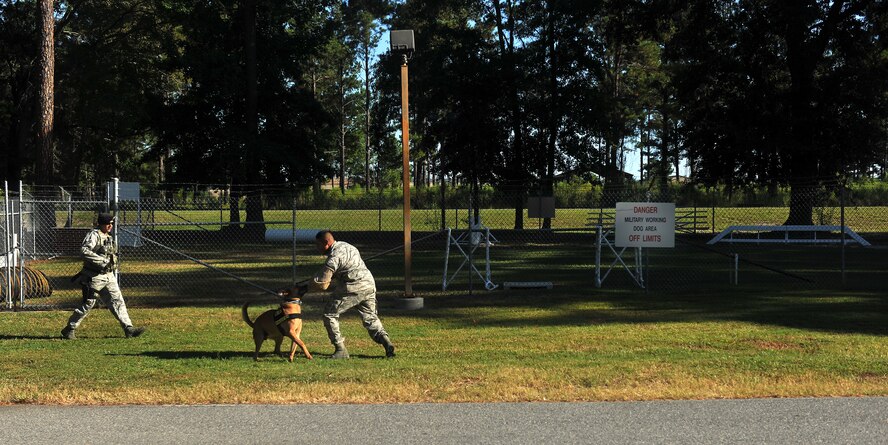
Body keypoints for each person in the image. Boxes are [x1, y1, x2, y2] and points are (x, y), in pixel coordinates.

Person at [305, 230, 395, 359]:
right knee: (370, 317)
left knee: (329, 314)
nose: (317, 248)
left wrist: (304, 288)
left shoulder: (334, 257)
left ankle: (340, 349)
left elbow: (323, 283)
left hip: (354, 286)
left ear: (326, 242)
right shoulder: (347, 245)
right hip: (369, 283)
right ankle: (386, 342)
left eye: (318, 245)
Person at [61, 212, 145, 339]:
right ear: (101, 224)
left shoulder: (107, 236)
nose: (110, 226)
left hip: (109, 276)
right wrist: (102, 261)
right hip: (94, 277)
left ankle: (128, 328)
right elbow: (84, 251)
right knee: (88, 304)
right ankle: (70, 328)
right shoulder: (94, 235)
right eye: (108, 224)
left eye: (111, 223)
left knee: (118, 301)